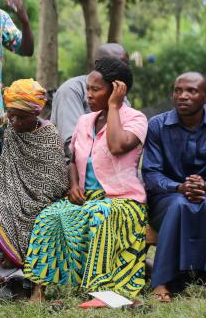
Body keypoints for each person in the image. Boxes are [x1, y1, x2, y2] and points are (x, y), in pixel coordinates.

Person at [24, 58, 148, 303]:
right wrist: (73, 185)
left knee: (99, 214)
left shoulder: (136, 119)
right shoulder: (84, 121)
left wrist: (114, 107)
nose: (88, 95)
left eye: (95, 89)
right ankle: (38, 291)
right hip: (87, 197)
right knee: (49, 216)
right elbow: (73, 159)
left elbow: (116, 145)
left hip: (122, 202)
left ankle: (102, 292)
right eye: (88, 89)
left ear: (115, 90)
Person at [0, 79, 68, 300]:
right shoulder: (5, 125)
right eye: (12, 114)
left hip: (39, 202)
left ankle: (23, 283)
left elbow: (56, 181)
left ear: (36, 113)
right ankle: (6, 281)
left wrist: (29, 200)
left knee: (39, 224)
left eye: (23, 116)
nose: (15, 121)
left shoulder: (49, 135)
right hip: (3, 194)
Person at [143, 72, 206, 302]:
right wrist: (178, 187)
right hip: (166, 197)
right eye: (178, 90)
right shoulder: (157, 125)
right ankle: (161, 283)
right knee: (179, 205)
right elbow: (151, 173)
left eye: (191, 91)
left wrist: (204, 184)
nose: (182, 96)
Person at [50, 43, 130, 157]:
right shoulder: (71, 90)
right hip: (73, 167)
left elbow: (127, 140)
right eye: (117, 64)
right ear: (98, 64)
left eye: (126, 64)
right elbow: (72, 146)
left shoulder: (120, 95)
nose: (124, 70)